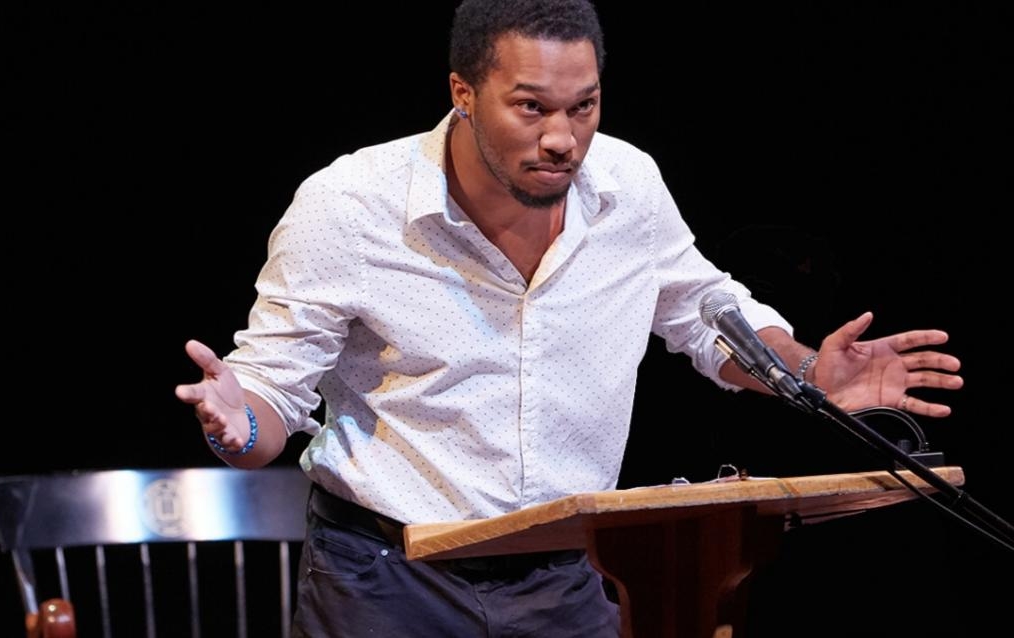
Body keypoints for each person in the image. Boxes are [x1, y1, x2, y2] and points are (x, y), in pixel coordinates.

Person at [175, 0, 964, 635]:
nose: (563, 139)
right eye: (531, 108)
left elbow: (702, 311)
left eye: (584, 107)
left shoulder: (627, 184)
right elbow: (268, 406)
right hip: (387, 583)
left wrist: (804, 372)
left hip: (565, 577)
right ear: (462, 94)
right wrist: (234, 420)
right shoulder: (349, 207)